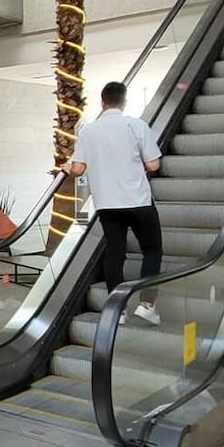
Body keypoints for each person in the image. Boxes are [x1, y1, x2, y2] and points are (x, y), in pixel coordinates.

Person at [64, 81, 163, 325]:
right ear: (124, 101)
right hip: (138, 201)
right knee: (151, 250)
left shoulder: (88, 130)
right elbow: (153, 165)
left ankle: (117, 311)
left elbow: (77, 169)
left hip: (107, 204)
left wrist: (68, 167)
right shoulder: (136, 125)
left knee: (115, 253)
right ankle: (146, 305)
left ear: (102, 102)